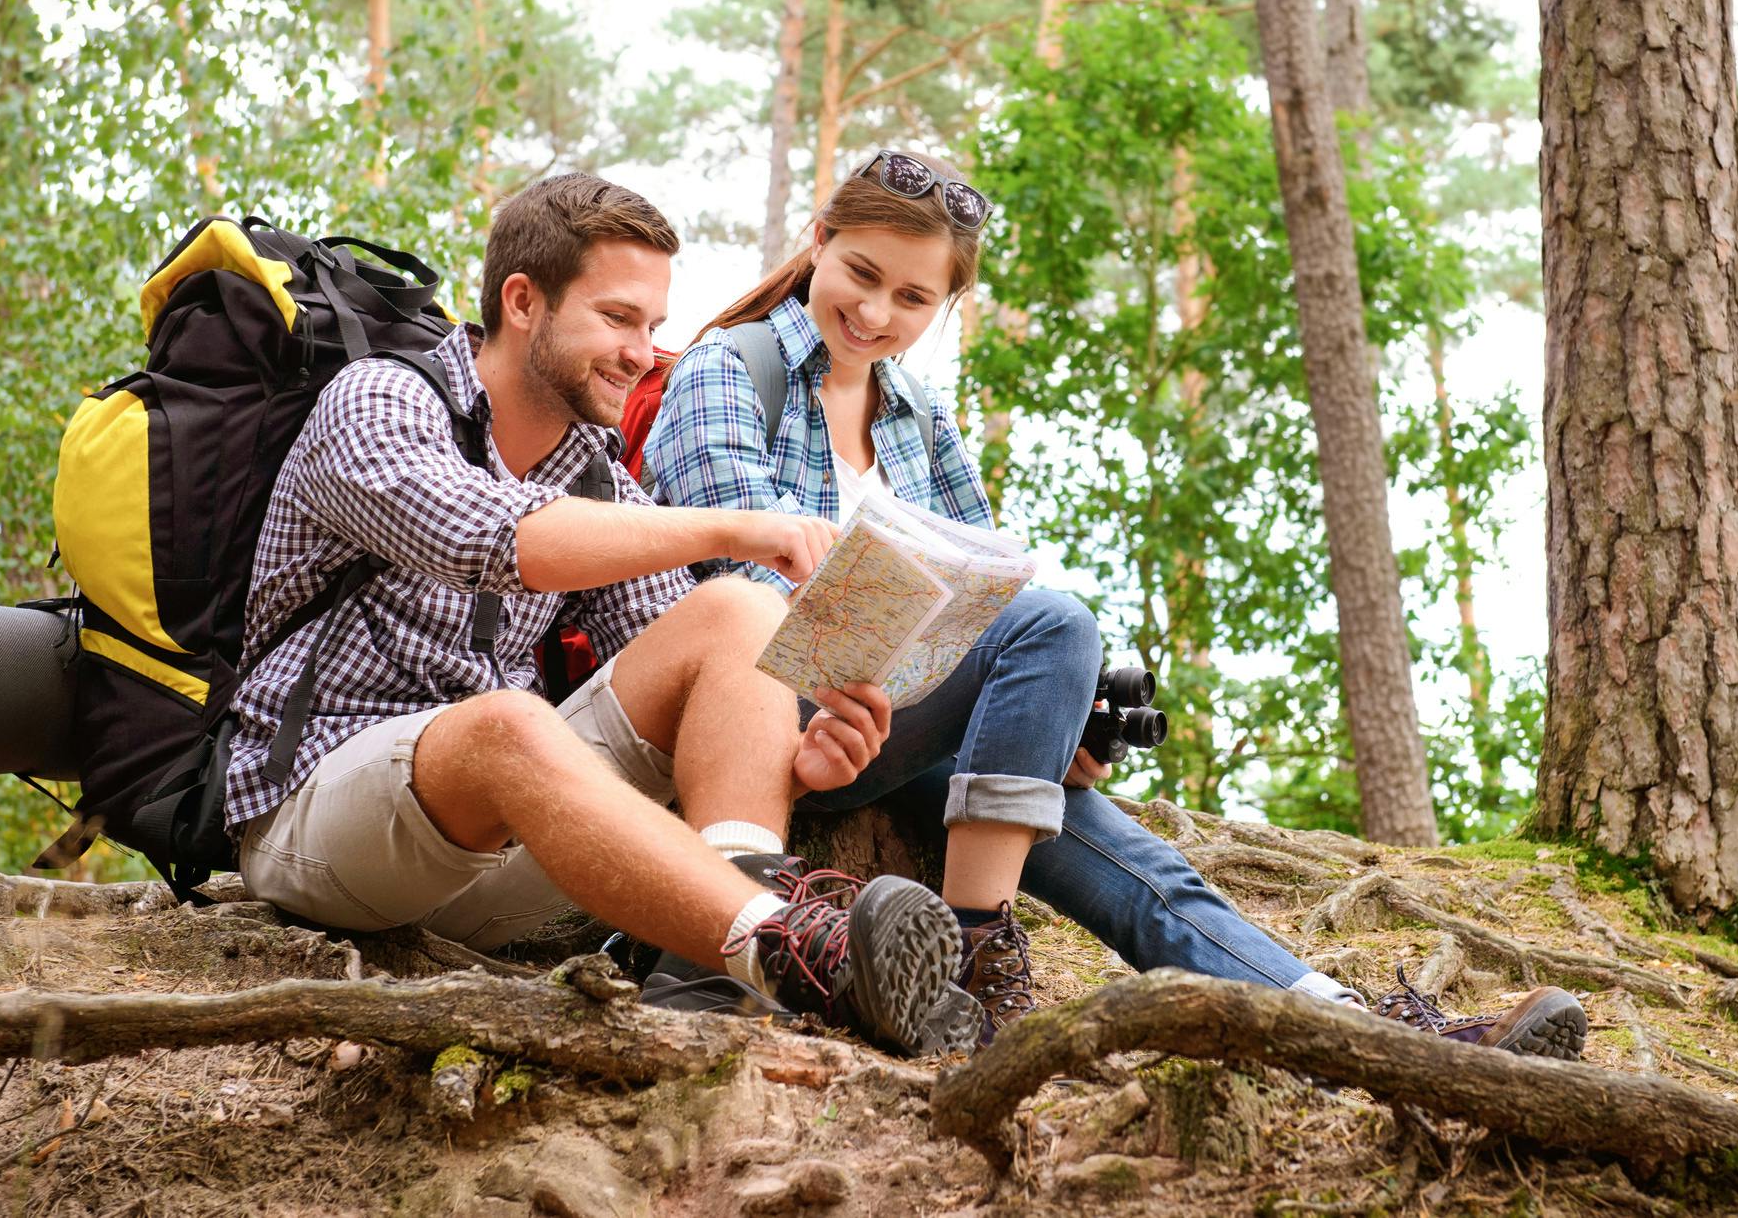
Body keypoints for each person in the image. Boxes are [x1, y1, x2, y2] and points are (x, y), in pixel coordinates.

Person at [646, 149, 1587, 1059]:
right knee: (1056, 622)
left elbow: (982, 586)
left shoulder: (920, 418)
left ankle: (1353, 1023)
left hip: (900, 725)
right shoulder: (729, 372)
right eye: (860, 272)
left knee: (1133, 857)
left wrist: (1053, 718)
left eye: (913, 297)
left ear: (946, 305)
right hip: (774, 732)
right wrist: (1014, 670)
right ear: (818, 239)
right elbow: (741, 601)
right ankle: (976, 953)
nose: (875, 309)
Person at [221, 172, 968, 1057]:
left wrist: (798, 761)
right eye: (618, 319)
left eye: (653, 327)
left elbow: (695, 680)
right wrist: (733, 524)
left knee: (738, 610)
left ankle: (719, 974)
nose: (642, 352)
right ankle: (793, 953)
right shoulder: (380, 402)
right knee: (504, 723)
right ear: (523, 300)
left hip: (505, 845)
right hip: (319, 825)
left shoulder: (593, 474)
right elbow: (488, 537)